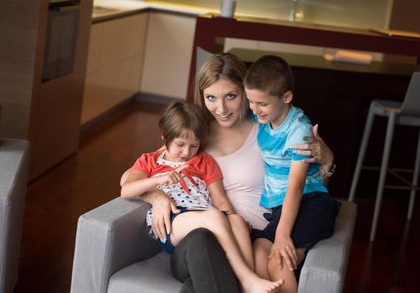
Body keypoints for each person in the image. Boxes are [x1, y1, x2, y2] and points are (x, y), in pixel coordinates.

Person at [130, 53, 336, 293]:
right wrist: (155, 196)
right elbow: (143, 172)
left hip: (255, 236)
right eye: (211, 98)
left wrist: (328, 161)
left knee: (198, 287)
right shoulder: (194, 134)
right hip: (203, 240)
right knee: (201, 241)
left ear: (246, 92)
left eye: (231, 96)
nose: (221, 108)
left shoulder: (269, 125)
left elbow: (310, 188)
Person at [120, 101, 284, 293]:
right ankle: (247, 278)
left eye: (194, 146)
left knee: (237, 221)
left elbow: (221, 200)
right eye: (180, 144)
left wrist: (231, 217)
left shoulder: (204, 161)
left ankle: (245, 283)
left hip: (205, 216)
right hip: (173, 219)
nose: (186, 152)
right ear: (165, 137)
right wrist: (157, 183)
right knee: (215, 216)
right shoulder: (150, 161)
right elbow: (127, 189)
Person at [244, 55, 340, 293]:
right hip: (284, 207)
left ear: (286, 97)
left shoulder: (299, 131)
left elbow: (296, 186)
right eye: (250, 101)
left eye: (261, 104)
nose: (254, 110)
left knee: (277, 256)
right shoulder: (264, 116)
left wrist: (283, 235)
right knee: (259, 249)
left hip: (311, 203)